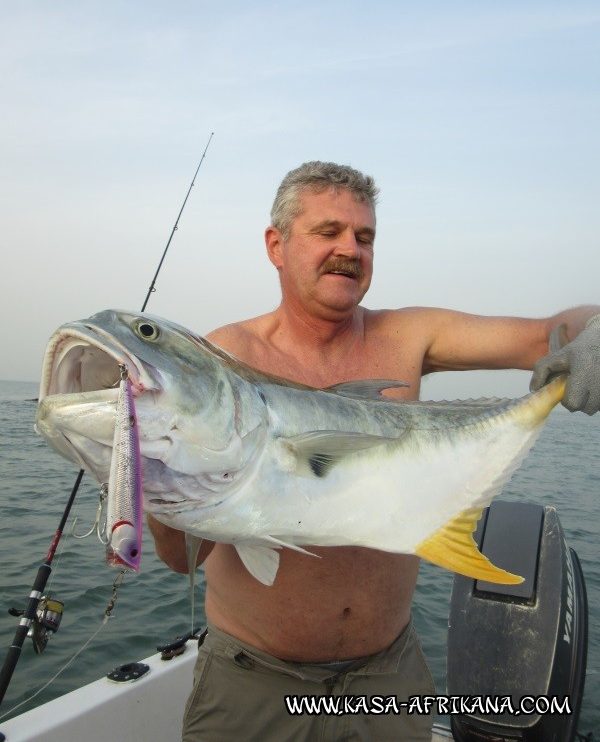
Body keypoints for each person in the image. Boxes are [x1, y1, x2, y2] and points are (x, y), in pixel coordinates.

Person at [149, 161, 600, 742]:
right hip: (255, 682)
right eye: (328, 232)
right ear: (276, 244)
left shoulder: (409, 336)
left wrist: (595, 334)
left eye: (365, 238)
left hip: (388, 677)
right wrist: (156, 478)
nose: (350, 250)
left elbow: (552, 332)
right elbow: (184, 559)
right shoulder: (223, 363)